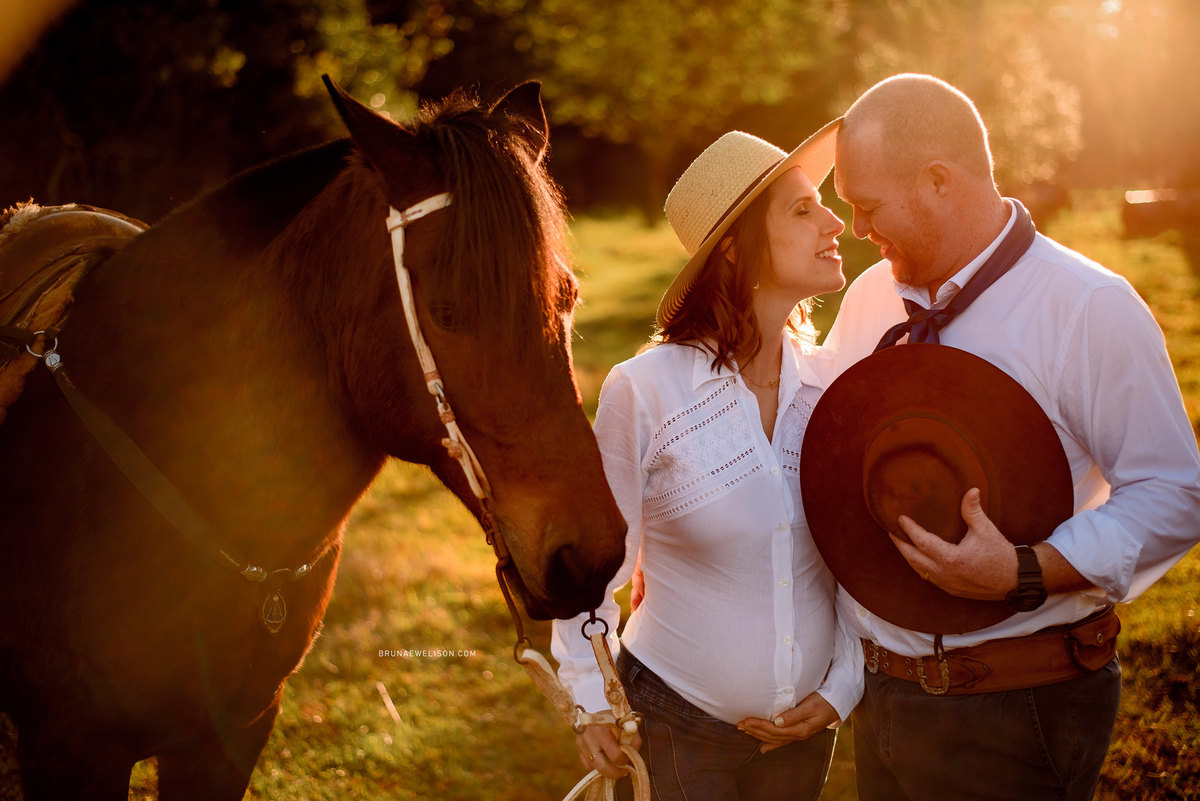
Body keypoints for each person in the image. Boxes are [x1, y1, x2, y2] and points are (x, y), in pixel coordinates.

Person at [817, 73, 1200, 801]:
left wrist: (1026, 570)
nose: (857, 229)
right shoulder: (869, 298)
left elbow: (1175, 493)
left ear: (938, 181)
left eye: (868, 206)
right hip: (883, 697)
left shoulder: (1088, 306)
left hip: (1019, 706)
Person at [550, 125, 864, 801]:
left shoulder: (836, 387)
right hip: (673, 726)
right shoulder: (646, 390)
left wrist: (842, 687)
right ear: (735, 247)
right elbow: (595, 564)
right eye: (802, 210)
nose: (834, 221)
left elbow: (859, 565)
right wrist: (590, 696)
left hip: (805, 735)